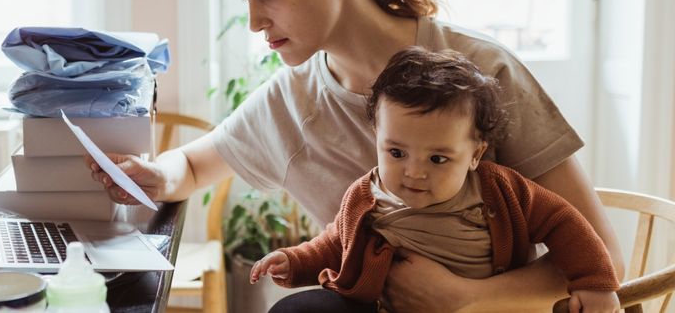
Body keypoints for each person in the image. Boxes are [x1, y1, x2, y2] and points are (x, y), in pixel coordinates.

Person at [85, 0, 624, 311]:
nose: (253, 22)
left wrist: (466, 299)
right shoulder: (291, 99)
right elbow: (194, 167)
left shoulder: (480, 71)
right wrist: (155, 176)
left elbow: (606, 257)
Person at [250, 47, 620, 313]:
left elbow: (565, 223)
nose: (413, 172)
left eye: (438, 158)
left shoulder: (500, 190)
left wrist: (595, 284)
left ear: (475, 154)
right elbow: (336, 242)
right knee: (299, 309)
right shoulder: (367, 194)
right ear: (377, 138)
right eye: (396, 153)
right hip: (381, 304)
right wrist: (293, 261)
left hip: (480, 307)